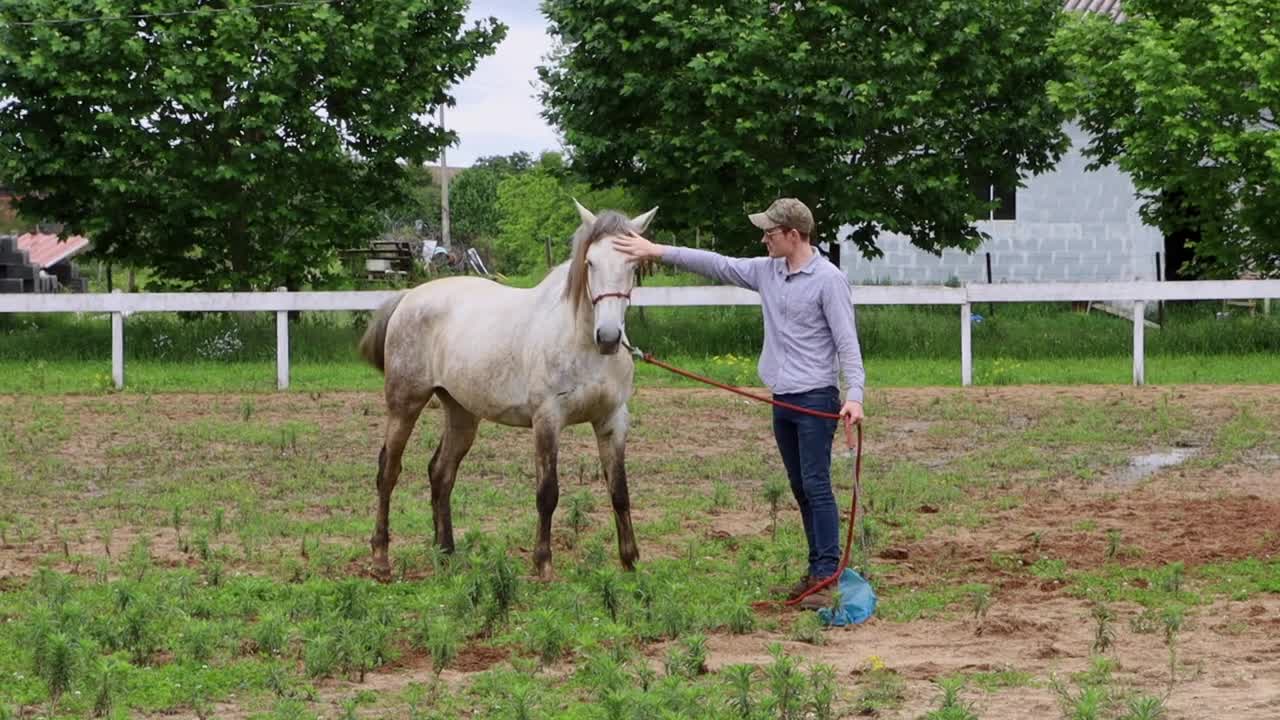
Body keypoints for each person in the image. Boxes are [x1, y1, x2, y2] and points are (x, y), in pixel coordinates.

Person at [614, 198, 865, 609]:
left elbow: (847, 343)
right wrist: (657, 251)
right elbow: (716, 263)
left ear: (793, 235)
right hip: (782, 397)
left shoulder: (829, 280)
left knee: (817, 486)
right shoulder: (768, 271)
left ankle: (826, 576)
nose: (763, 238)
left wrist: (854, 395)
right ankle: (818, 568)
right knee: (801, 487)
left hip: (816, 399)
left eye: (770, 231)